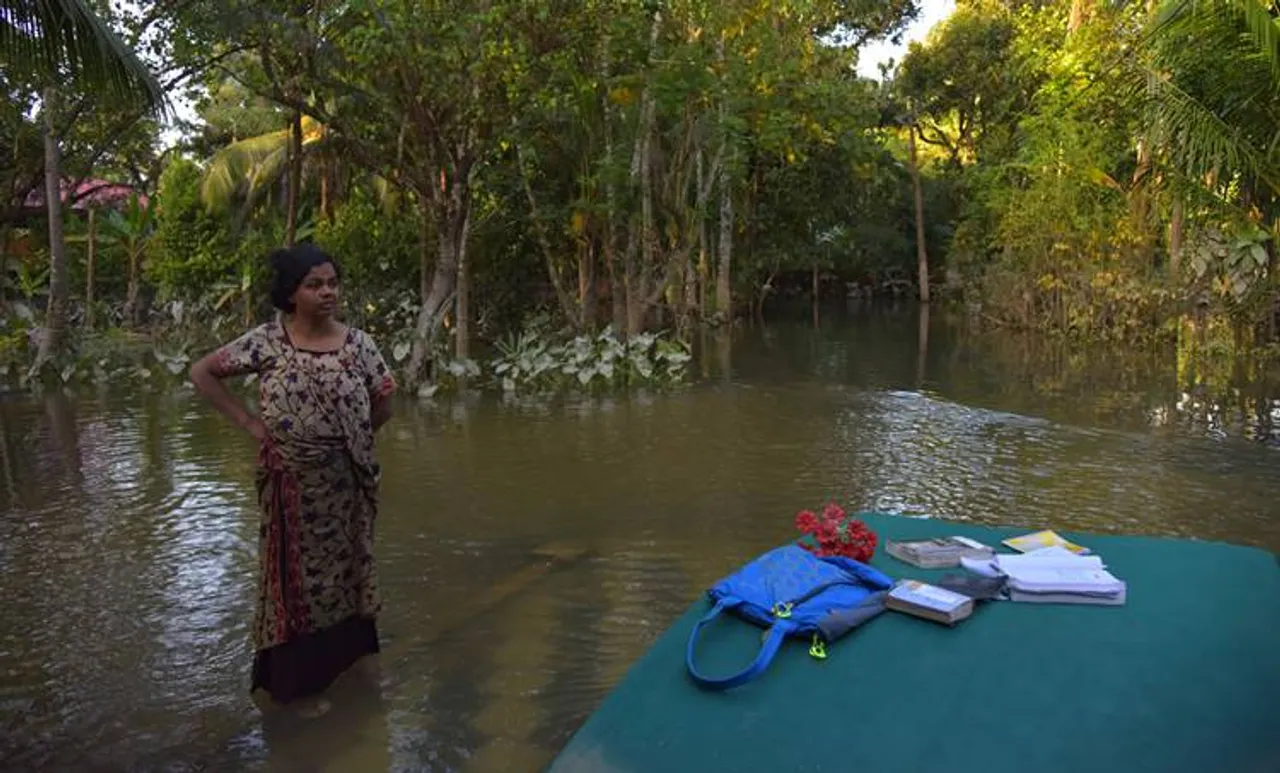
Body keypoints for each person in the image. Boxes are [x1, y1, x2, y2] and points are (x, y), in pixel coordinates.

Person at [190, 243, 396, 710]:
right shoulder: (266, 341)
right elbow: (201, 372)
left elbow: (385, 400)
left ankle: (351, 668)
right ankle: (299, 686)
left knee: (349, 568)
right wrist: (249, 424)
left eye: (332, 283)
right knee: (296, 579)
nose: (328, 292)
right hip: (290, 488)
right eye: (314, 284)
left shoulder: (359, 344)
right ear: (291, 293)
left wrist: (349, 441)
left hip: (347, 484)